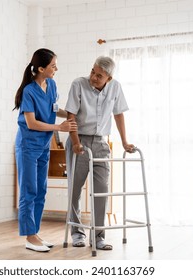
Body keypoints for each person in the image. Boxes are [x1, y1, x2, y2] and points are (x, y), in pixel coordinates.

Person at [65, 56, 135, 250]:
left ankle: (98, 237)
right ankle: (77, 233)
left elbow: (118, 114)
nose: (93, 78)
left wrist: (124, 142)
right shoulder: (78, 84)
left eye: (99, 76)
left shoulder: (115, 87)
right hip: (78, 140)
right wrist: (76, 143)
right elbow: (70, 115)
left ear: (109, 78)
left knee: (101, 191)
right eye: (93, 72)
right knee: (75, 190)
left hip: (101, 144)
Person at [14, 48, 77, 252]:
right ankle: (29, 237)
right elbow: (31, 123)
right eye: (52, 65)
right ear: (41, 68)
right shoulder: (29, 91)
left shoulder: (51, 84)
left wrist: (72, 115)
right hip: (28, 145)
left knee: (41, 191)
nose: (56, 68)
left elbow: (52, 109)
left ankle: (35, 234)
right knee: (29, 191)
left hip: (43, 146)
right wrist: (60, 127)